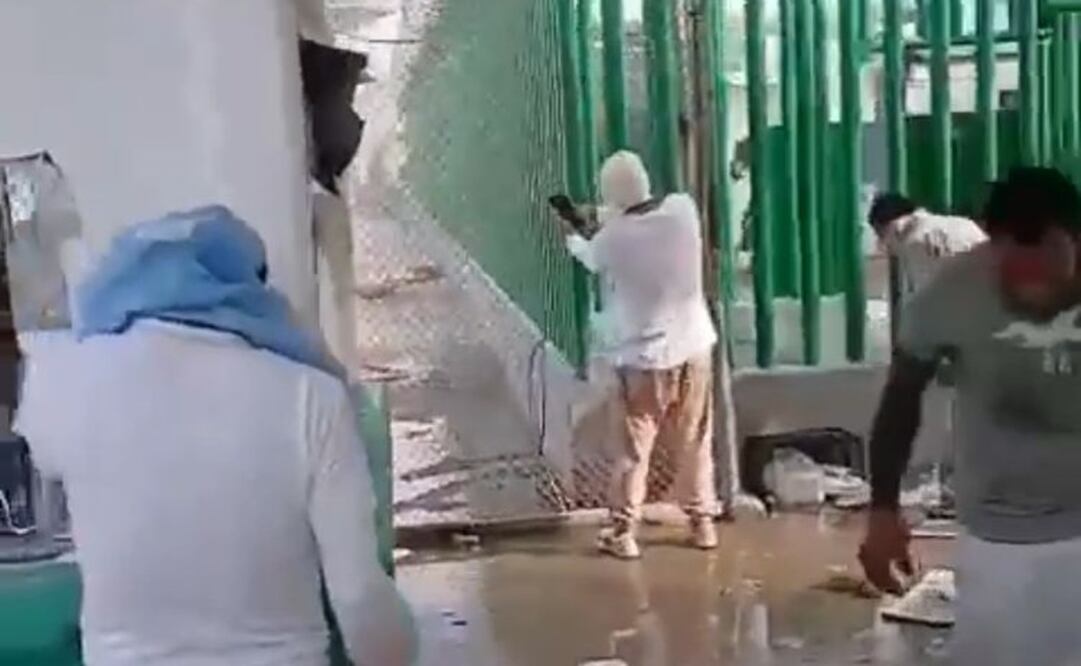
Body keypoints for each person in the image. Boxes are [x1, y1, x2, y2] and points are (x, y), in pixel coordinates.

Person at [15, 207, 416, 666]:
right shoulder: (311, 396)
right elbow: (359, 596)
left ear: (118, 284)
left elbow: (45, 461)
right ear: (247, 288)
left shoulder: (60, 383)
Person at [859, 168, 1081, 664]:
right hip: (994, 537)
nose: (1033, 292)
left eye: (1049, 273)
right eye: (1016, 276)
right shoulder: (952, 292)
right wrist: (883, 510)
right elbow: (901, 398)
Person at [561, 151, 719, 560]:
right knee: (695, 441)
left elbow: (590, 256)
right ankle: (703, 522)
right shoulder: (683, 211)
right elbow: (641, 214)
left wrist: (574, 235)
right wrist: (605, 215)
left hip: (644, 362)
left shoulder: (612, 240)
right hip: (694, 348)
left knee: (633, 453)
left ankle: (623, 531)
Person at [867, 192, 988, 295]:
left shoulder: (916, 242)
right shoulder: (964, 224)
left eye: (881, 234)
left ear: (893, 226)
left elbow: (926, 295)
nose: (882, 243)